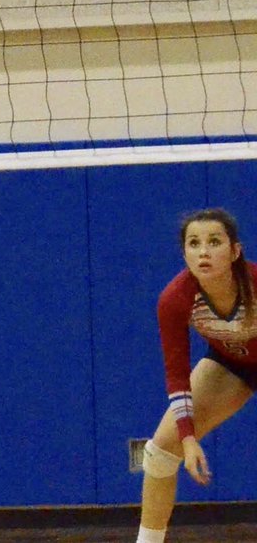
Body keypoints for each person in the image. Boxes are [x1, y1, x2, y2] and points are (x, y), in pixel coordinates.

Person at [133, 208, 256, 543]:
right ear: (184, 252)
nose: (204, 251)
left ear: (234, 251)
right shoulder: (175, 299)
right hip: (231, 363)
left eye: (214, 242)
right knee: (160, 453)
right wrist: (188, 438)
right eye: (194, 243)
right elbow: (176, 375)